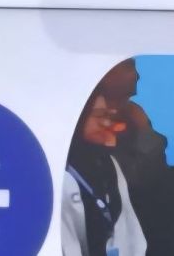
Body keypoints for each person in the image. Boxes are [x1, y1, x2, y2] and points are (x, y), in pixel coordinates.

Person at [100, 59, 174, 255]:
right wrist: (145, 130)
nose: (137, 76)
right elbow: (135, 178)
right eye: (129, 67)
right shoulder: (96, 125)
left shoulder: (132, 113)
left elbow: (159, 173)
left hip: (160, 233)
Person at [62, 88, 148, 256]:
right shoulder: (62, 173)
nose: (107, 123)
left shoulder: (109, 164)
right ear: (78, 118)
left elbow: (131, 232)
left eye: (109, 116)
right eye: (99, 115)